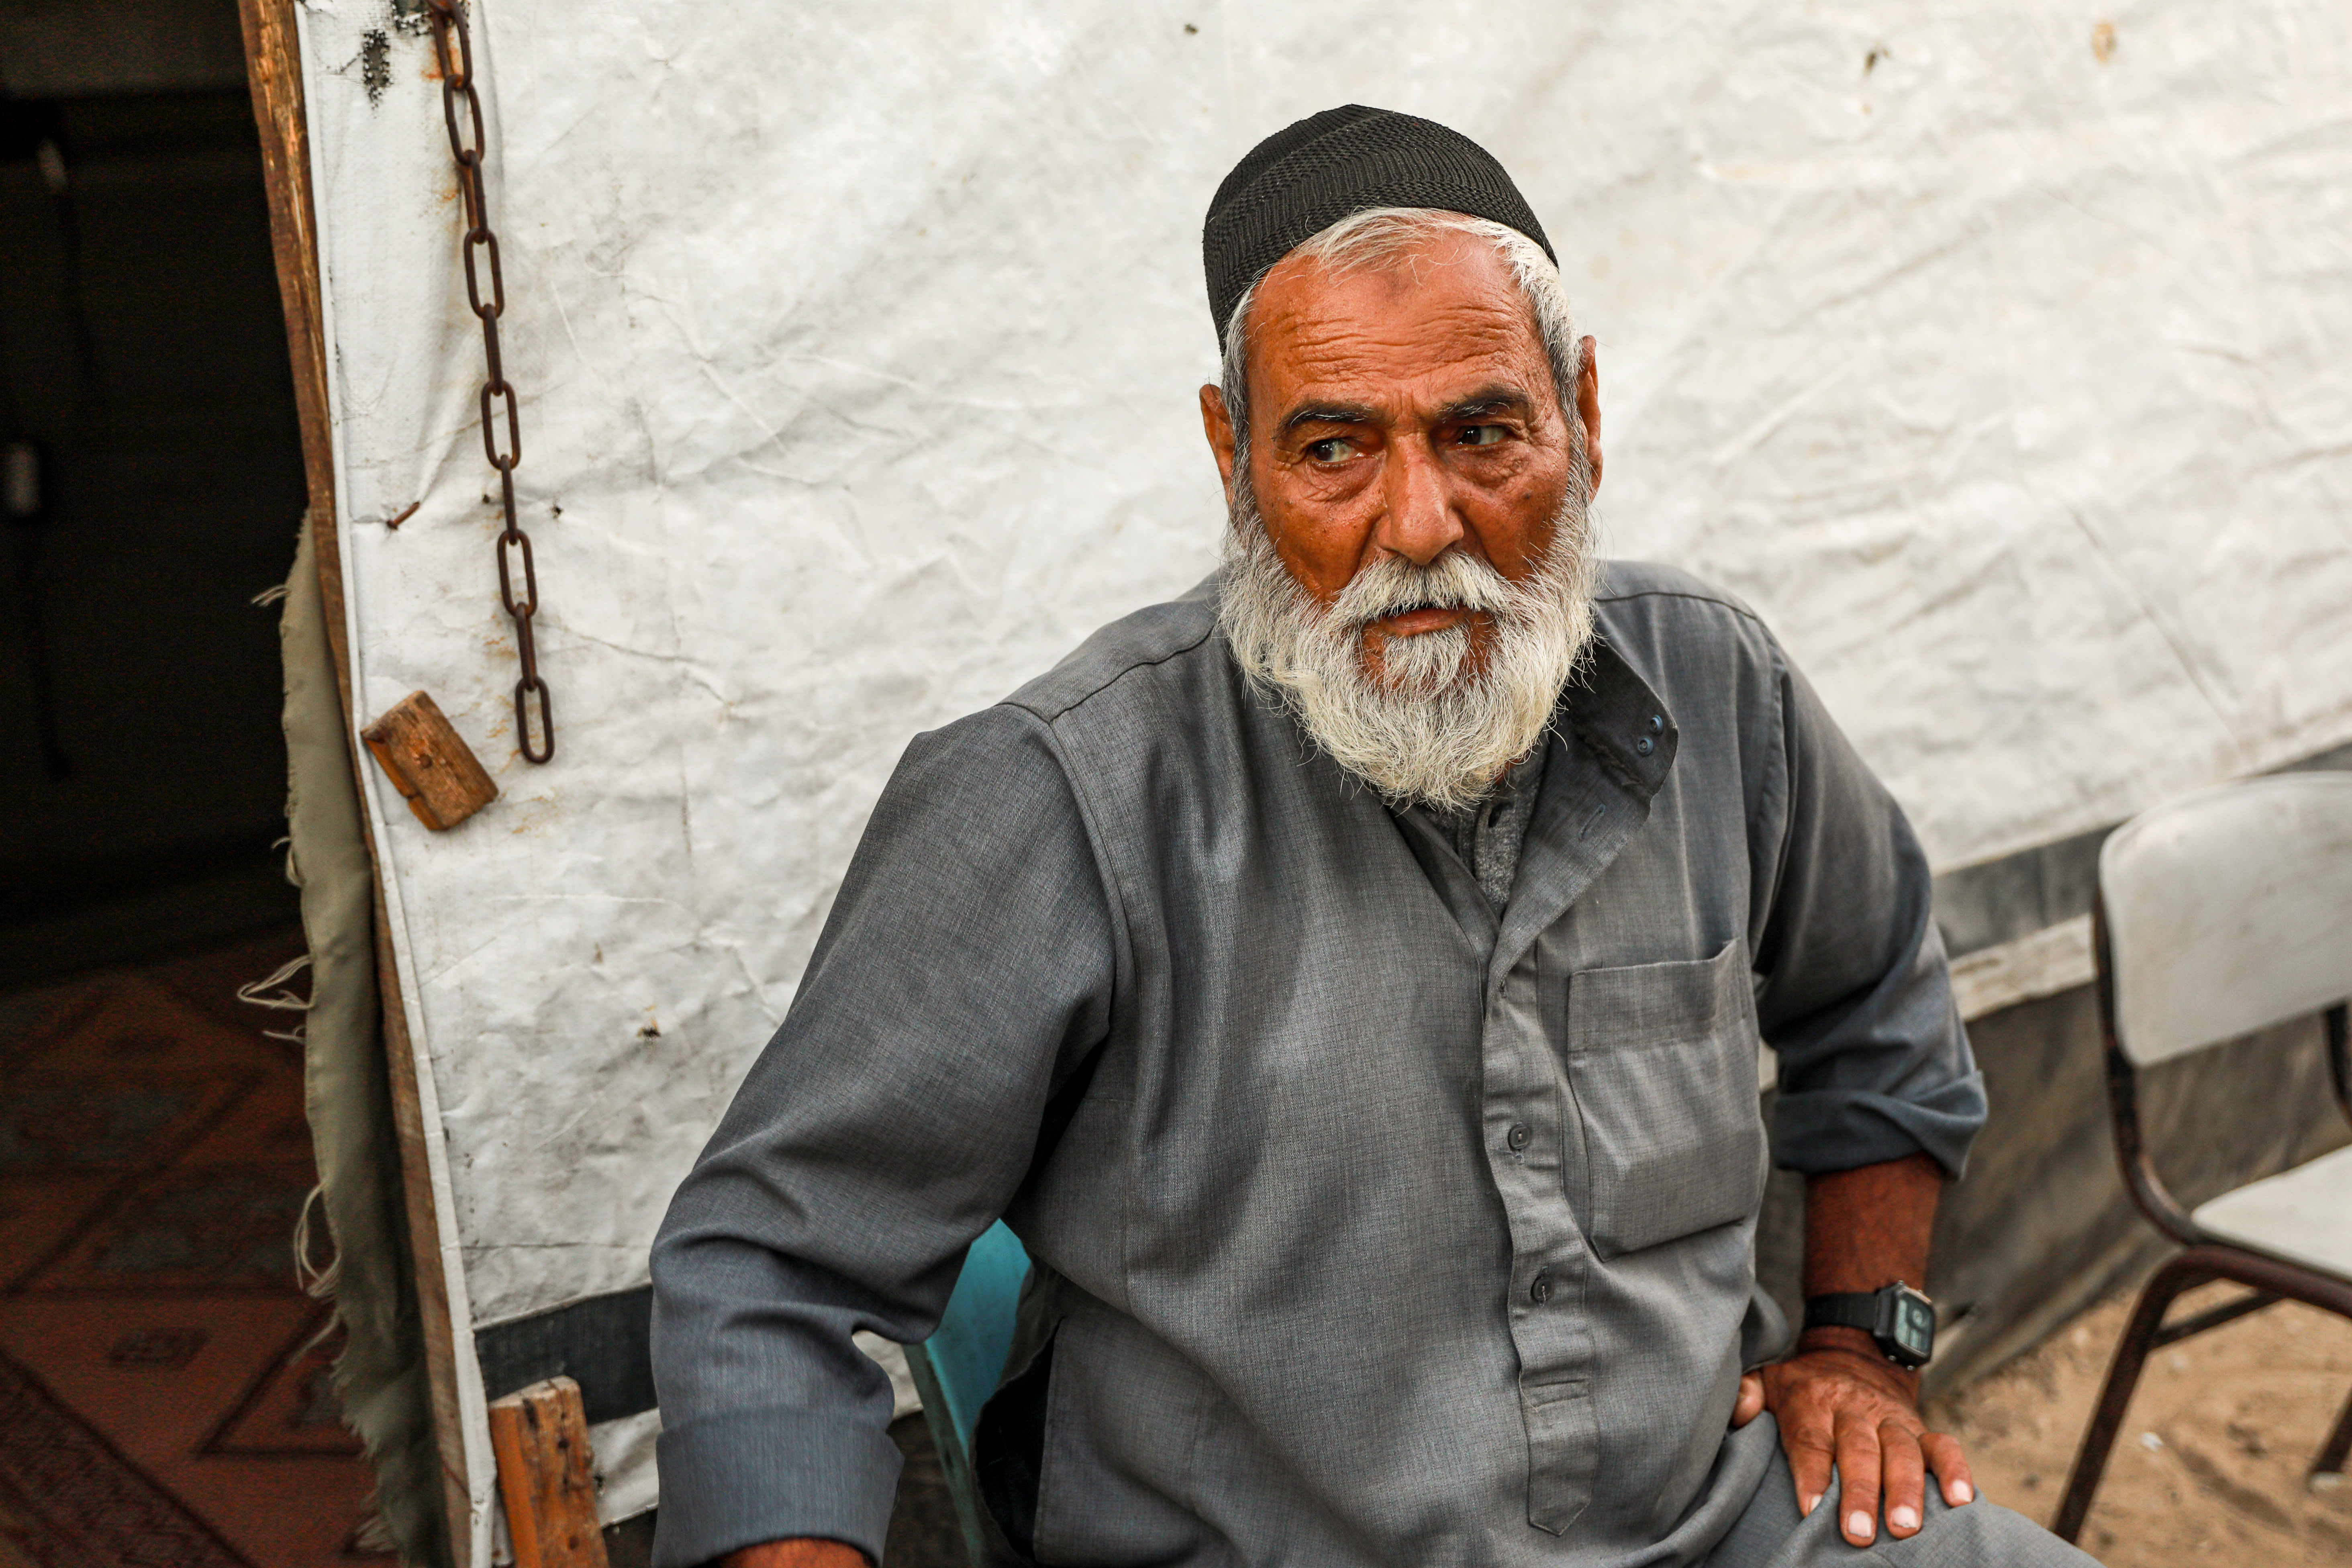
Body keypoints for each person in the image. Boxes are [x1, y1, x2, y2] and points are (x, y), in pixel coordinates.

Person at [649, 106, 2093, 1568]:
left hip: (1711, 1527)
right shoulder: (1060, 796)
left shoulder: (1722, 690)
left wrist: (1863, 1346)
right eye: (1335, 448)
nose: (1420, 523)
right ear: (1233, 457)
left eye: (1483, 433)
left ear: (1582, 416)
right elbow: (769, 1273)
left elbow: (1881, 1008)